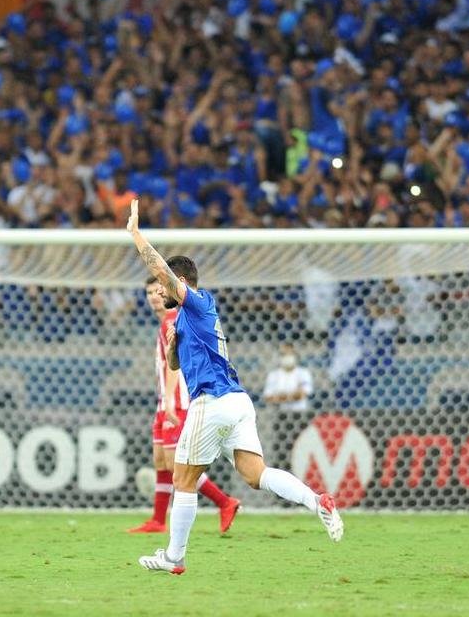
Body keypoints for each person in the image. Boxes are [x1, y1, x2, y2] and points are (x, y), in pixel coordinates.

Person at [126, 200, 342, 576]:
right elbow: (177, 364)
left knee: (184, 480)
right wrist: (175, 342)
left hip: (213, 401)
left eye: (164, 288)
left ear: (181, 284)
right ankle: (317, 501)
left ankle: (174, 558)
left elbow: (159, 268)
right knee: (255, 474)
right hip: (238, 402)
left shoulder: (197, 302)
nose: (159, 293)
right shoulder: (187, 319)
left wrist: (135, 234)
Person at [130, 276, 240, 535]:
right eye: (149, 293)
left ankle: (225, 502)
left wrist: (168, 400)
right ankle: (157, 520)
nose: (154, 296)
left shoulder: (173, 319)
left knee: (174, 462)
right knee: (160, 460)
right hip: (165, 400)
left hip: (176, 400)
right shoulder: (164, 323)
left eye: (158, 291)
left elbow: (174, 367)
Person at [262, 345, 315, 412]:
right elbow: (268, 397)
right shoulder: (273, 375)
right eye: (284, 354)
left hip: (299, 411)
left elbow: (303, 394)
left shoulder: (304, 373)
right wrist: (294, 395)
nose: (287, 357)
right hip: (279, 412)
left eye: (290, 354)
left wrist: (280, 396)